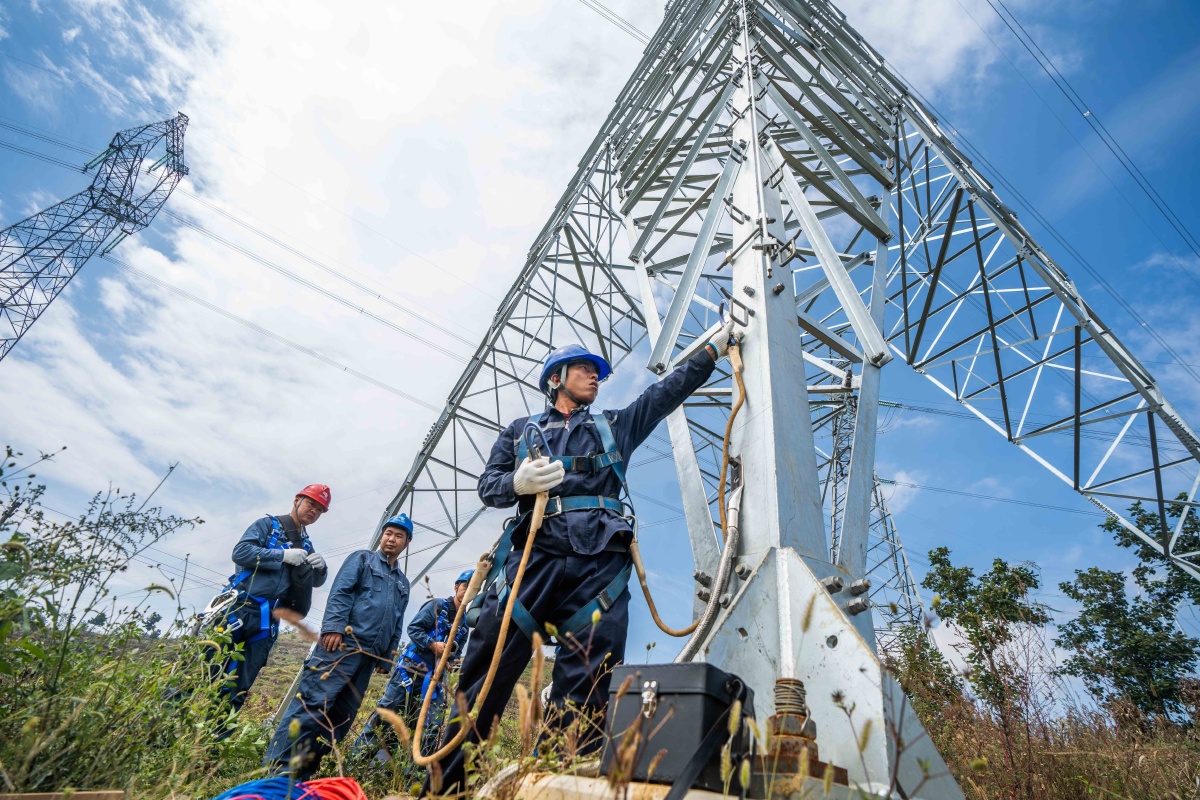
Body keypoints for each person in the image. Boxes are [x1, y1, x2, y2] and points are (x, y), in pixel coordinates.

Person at [424, 325, 737, 795]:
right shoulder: (519, 432)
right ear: (557, 378)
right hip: (534, 560)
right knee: (484, 673)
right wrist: (517, 483)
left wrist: (712, 349)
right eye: (586, 369)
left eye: (597, 371)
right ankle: (445, 790)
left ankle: (559, 786)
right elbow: (488, 487)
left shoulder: (614, 426)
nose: (596, 377)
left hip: (600, 569)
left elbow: (665, 393)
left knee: (589, 689)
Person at [263, 514, 413, 779]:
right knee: (312, 706)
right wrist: (333, 627)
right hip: (341, 646)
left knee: (340, 717)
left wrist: (387, 656)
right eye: (388, 533)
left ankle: (303, 774)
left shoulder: (403, 583)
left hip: (368, 657)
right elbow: (341, 591)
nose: (392, 539)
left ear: (407, 542)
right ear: (382, 536)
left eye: (398, 536)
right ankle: (276, 772)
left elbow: (398, 619)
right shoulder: (362, 559)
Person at [210, 484, 331, 733]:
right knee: (205, 669)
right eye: (311, 504)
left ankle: (214, 741)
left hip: (266, 622)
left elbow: (315, 581)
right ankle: (167, 734)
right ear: (297, 500)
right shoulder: (267, 526)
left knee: (239, 685)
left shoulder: (306, 543)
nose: (314, 512)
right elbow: (241, 552)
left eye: (319, 510)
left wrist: (321, 568)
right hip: (239, 607)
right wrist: (281, 555)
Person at [354, 568, 474, 762]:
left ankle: (406, 773)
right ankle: (356, 760)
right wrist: (432, 644)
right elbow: (414, 628)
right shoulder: (438, 606)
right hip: (410, 671)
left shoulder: (464, 625)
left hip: (434, 680)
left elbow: (455, 653)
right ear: (456, 587)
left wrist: (452, 662)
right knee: (386, 715)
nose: (468, 592)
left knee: (427, 726)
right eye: (466, 587)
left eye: (473, 589)